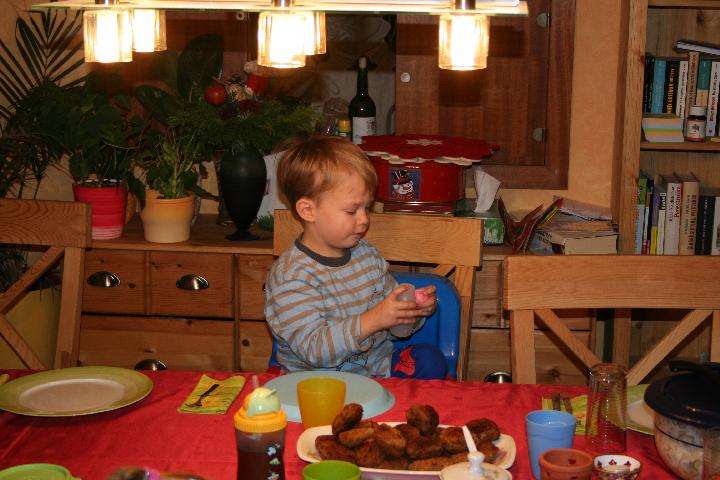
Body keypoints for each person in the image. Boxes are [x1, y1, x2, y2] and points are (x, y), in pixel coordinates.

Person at [264, 135, 448, 379]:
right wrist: (374, 320)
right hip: (317, 383)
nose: (364, 219)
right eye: (352, 210)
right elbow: (314, 350)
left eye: (366, 208)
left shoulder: (367, 256)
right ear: (308, 210)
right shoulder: (291, 275)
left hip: (377, 370)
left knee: (430, 360)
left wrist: (410, 311)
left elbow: (395, 330)